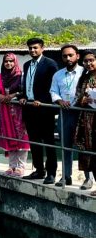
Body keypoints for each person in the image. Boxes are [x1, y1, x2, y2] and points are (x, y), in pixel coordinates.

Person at [20, 37, 59, 184]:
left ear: (42, 48)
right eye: (30, 48)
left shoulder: (50, 64)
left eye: (35, 48)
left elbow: (53, 87)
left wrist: (42, 100)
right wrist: (23, 97)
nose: (32, 50)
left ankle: (51, 173)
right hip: (30, 108)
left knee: (48, 142)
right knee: (34, 141)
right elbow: (27, 85)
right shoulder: (26, 65)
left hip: (44, 108)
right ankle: (39, 170)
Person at [50, 44, 83, 187]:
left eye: (71, 55)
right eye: (65, 56)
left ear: (77, 56)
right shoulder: (58, 74)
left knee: (84, 146)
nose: (68, 58)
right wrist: (59, 100)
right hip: (64, 113)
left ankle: (88, 178)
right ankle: (66, 176)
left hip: (81, 113)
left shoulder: (85, 72)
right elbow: (53, 91)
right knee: (65, 145)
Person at [0, 53, 30, 176]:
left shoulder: (21, 76)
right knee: (9, 136)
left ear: (15, 62)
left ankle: (21, 166)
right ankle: (12, 165)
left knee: (21, 137)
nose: (8, 63)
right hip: (5, 110)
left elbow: (24, 91)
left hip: (19, 110)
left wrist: (13, 95)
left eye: (11, 61)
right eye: (6, 61)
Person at [74, 50, 96, 195]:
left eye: (91, 60)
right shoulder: (84, 78)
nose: (88, 63)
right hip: (87, 120)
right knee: (89, 152)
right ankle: (90, 179)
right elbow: (78, 96)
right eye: (86, 61)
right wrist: (82, 99)